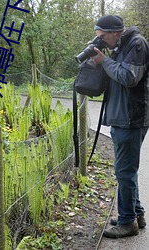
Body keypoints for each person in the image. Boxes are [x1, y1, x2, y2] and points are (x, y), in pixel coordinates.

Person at [91, 15, 149, 238]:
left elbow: (128, 77)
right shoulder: (120, 46)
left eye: (103, 37)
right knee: (126, 171)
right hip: (121, 117)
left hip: (131, 118)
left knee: (124, 171)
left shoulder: (137, 44)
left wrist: (104, 61)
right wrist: (101, 60)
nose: (102, 41)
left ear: (115, 32)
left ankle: (127, 223)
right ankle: (136, 214)